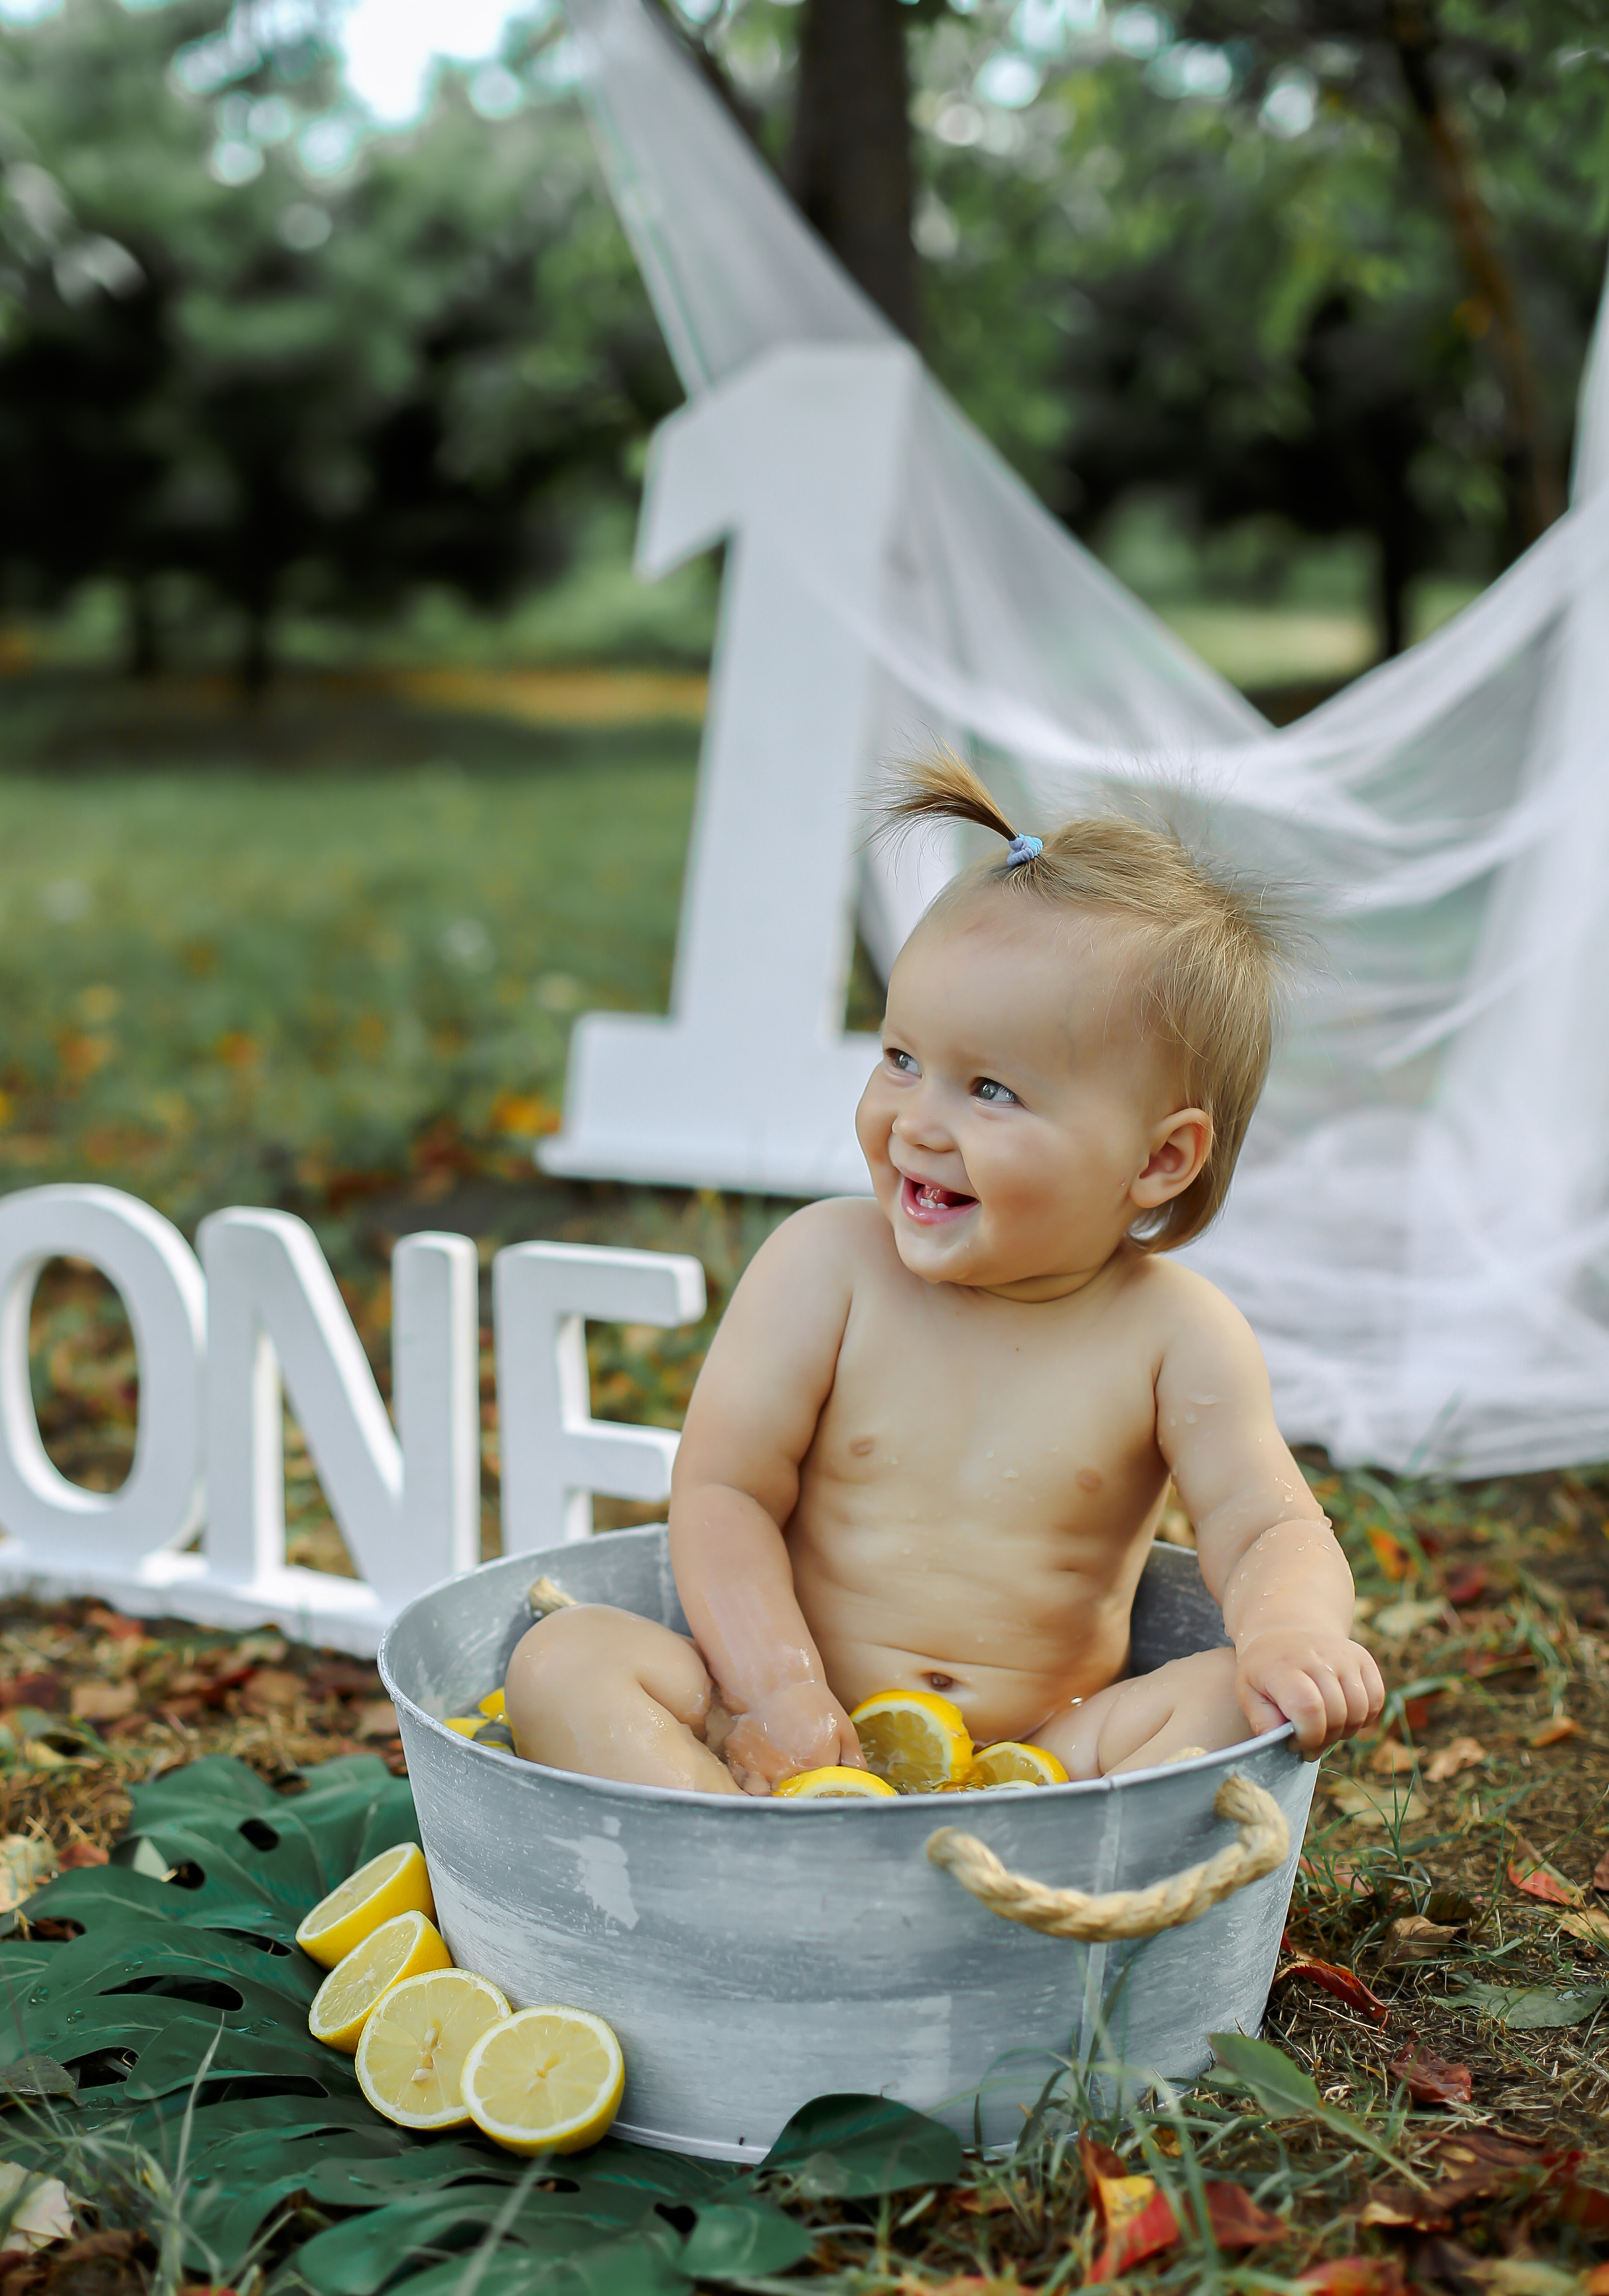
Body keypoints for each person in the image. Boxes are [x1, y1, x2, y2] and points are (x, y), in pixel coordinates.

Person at [507, 750, 1383, 1794]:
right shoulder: (825, 1268)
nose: (918, 1122)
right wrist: (776, 1688)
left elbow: (1266, 1523)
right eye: (901, 1059)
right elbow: (726, 1490)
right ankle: (726, 1856)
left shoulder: (1177, 1337)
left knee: (1234, 1693)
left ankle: (1030, 1893)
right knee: (566, 1658)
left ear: (1158, 1160)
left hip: (1046, 1762)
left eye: (994, 1090)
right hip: (781, 1731)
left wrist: (1291, 1631)